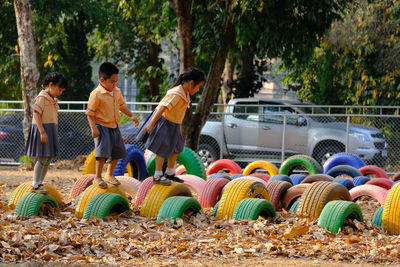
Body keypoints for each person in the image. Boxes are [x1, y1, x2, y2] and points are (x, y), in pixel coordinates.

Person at [136, 67, 205, 185]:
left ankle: (170, 172)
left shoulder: (185, 93)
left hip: (174, 125)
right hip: (165, 123)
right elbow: (162, 108)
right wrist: (151, 124)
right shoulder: (177, 93)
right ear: (191, 83)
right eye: (198, 87)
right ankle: (157, 175)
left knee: (176, 148)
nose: (198, 90)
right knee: (163, 149)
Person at [86, 62, 139, 189]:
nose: (114, 84)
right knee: (102, 153)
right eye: (111, 82)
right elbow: (90, 113)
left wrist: (131, 115)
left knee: (118, 151)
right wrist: (93, 128)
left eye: (116, 81)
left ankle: (109, 174)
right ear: (102, 80)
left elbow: (122, 106)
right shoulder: (96, 94)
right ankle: (97, 177)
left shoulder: (117, 91)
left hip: (114, 126)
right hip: (101, 126)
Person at [26, 72, 68, 193]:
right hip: (43, 130)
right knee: (43, 158)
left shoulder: (52, 99)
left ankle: (40, 183)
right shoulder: (42, 98)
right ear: (51, 84)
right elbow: (36, 114)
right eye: (59, 89)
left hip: (51, 129)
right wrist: (42, 132)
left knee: (48, 158)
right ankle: (35, 184)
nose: (60, 93)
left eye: (62, 91)